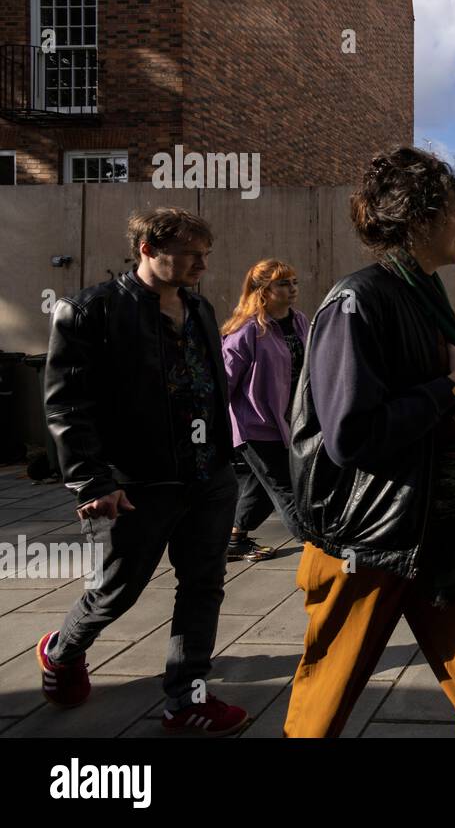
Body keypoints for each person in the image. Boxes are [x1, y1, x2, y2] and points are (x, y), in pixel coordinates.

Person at [283, 146, 455, 738]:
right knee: (323, 702)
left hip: (449, 534)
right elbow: (351, 436)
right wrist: (452, 384)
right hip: (370, 540)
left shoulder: (421, 290)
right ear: (418, 217)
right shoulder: (358, 300)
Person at [38, 207, 250, 735]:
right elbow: (67, 405)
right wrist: (92, 480)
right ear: (148, 249)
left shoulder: (199, 307)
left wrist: (227, 456)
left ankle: (186, 698)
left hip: (209, 478)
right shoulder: (90, 310)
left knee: (203, 585)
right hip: (137, 483)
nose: (202, 263)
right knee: (119, 588)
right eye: (189, 253)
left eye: (205, 253)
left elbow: (208, 386)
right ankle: (62, 651)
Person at [221, 259, 308, 561]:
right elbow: (223, 383)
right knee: (288, 489)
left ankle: (233, 540)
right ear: (263, 291)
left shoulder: (299, 321)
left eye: (294, 282)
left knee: (262, 488)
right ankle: (322, 550)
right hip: (256, 426)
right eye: (283, 284)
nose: (292, 289)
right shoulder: (246, 332)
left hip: (290, 422)